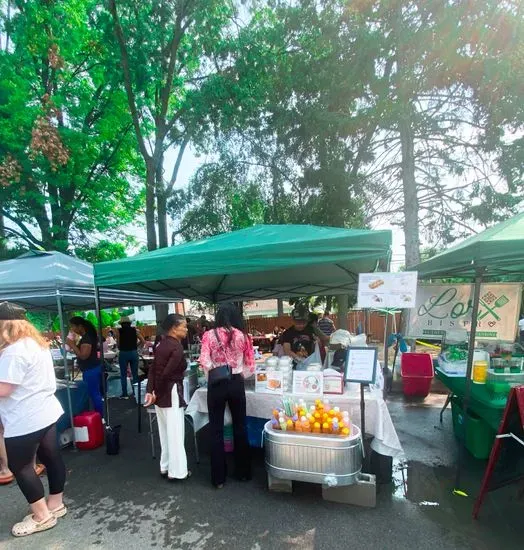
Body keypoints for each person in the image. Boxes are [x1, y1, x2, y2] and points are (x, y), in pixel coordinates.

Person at [0, 302, 66, 537]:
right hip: (45, 411)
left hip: (24, 418)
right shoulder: (37, 344)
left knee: (21, 467)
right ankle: (55, 504)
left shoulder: (13, 351)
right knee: (51, 457)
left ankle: (41, 516)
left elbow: (4, 389)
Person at [199, 303, 255, 489]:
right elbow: (250, 366)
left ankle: (218, 478)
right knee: (240, 426)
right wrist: (238, 372)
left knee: (216, 429)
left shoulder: (209, 335)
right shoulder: (243, 336)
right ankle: (244, 472)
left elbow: (204, 361)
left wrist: (214, 374)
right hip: (236, 383)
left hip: (216, 383)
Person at [144, 314, 190, 481]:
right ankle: (177, 472)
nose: (186, 329)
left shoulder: (161, 344)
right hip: (170, 392)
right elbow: (166, 373)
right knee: (176, 433)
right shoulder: (176, 347)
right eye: (183, 326)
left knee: (164, 432)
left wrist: (151, 391)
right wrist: (156, 391)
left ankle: (165, 466)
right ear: (173, 328)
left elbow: (153, 369)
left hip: (161, 393)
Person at [67, 317, 104, 416]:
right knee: (94, 393)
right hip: (91, 369)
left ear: (80, 326)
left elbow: (84, 356)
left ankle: (99, 417)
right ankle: (98, 417)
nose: (73, 329)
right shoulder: (86, 337)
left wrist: (72, 345)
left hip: (91, 369)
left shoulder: (87, 338)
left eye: (73, 326)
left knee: (94, 394)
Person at [116, 317, 145, 398]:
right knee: (135, 374)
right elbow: (143, 341)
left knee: (123, 374)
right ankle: (136, 394)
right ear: (129, 323)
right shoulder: (135, 330)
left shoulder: (118, 331)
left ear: (121, 324)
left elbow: (118, 344)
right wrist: (136, 346)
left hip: (123, 353)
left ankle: (125, 394)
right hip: (134, 352)